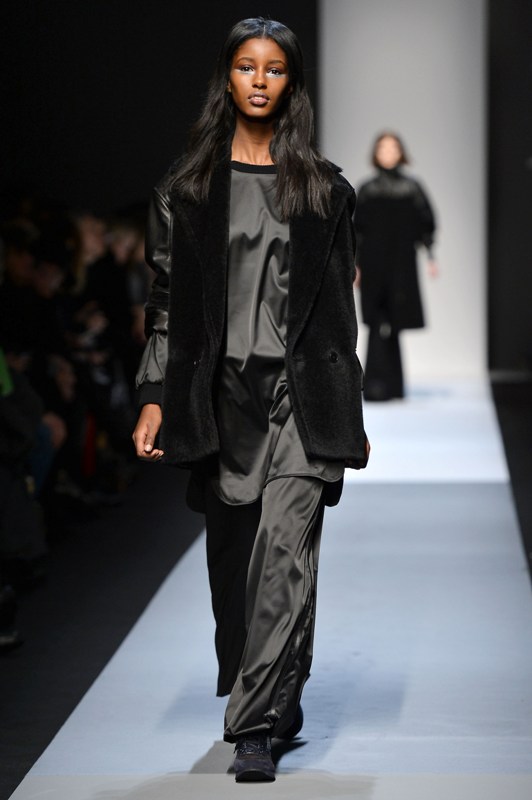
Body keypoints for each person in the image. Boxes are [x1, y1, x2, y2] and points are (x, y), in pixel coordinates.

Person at [132, 17, 368, 782]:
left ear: (291, 83)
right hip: (223, 397)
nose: (259, 80)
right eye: (245, 66)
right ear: (227, 79)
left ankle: (254, 727)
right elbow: (166, 303)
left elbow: (337, 316)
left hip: (301, 398)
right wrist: (153, 396)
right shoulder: (186, 190)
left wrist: (348, 407)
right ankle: (275, 688)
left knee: (284, 556)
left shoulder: (326, 192)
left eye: (274, 69)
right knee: (236, 570)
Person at [354, 131, 438, 400]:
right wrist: (355, 266)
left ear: (401, 153)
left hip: (402, 265)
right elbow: (356, 230)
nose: (388, 153)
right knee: (375, 321)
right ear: (375, 153)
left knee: (396, 321)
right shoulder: (367, 189)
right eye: (383, 148)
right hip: (372, 264)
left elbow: (426, 223)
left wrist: (431, 257)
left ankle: (394, 387)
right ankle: (374, 386)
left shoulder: (412, 188)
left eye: (393, 148)